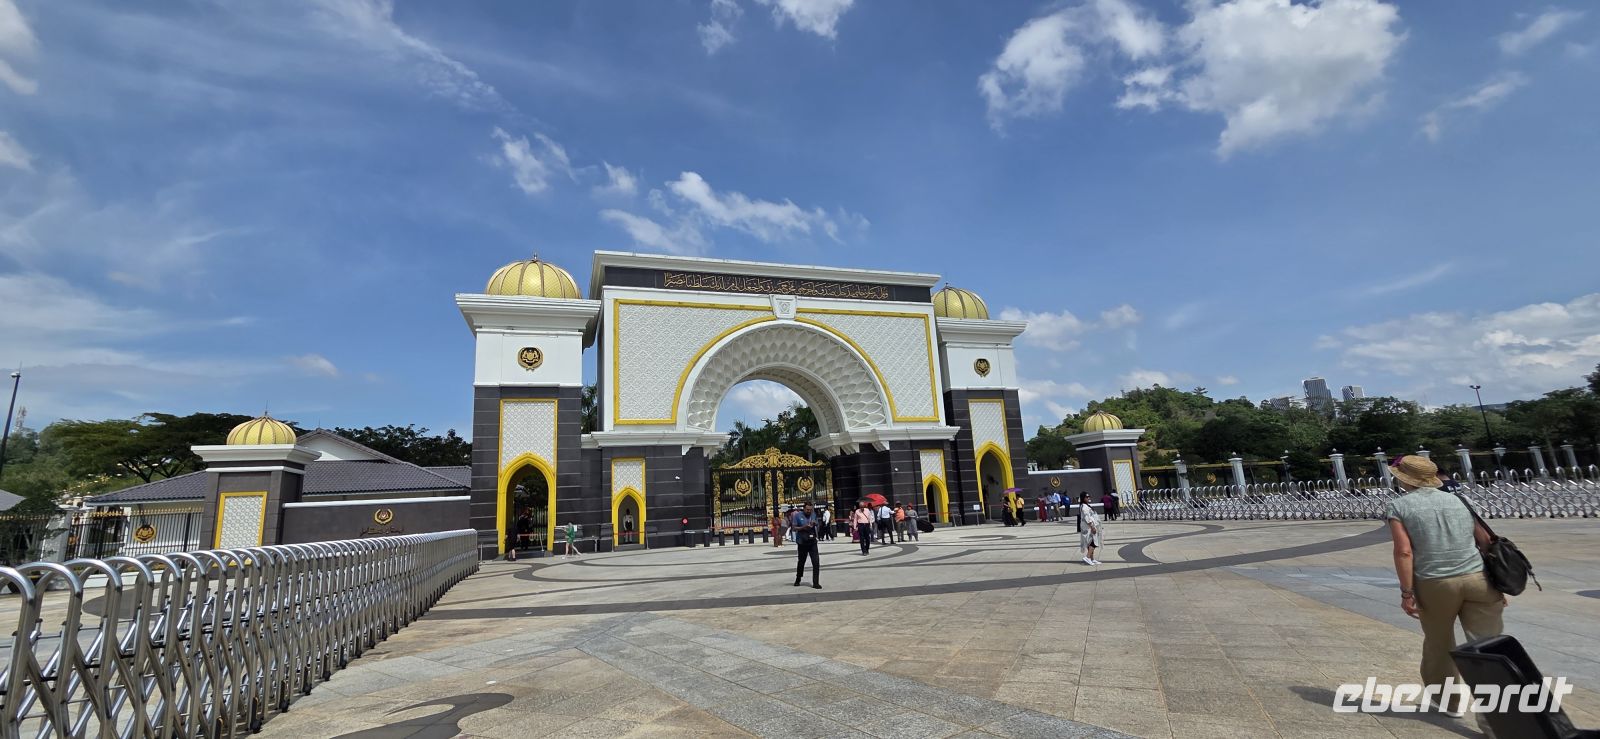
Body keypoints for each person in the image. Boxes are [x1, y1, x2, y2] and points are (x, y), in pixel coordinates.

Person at [1385, 455, 1503, 717]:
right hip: (1478, 579)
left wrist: (1407, 593)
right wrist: (1498, 585)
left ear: (1403, 478)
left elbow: (1404, 552)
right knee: (1487, 646)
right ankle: (1495, 717)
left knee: (1439, 643)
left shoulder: (1399, 506)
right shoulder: (1461, 499)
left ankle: (1450, 703)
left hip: (1435, 584)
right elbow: (1485, 541)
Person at [790, 502, 822, 589]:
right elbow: (793, 528)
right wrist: (803, 527)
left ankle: (816, 582)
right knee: (801, 562)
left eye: (810, 510)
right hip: (802, 542)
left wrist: (815, 524)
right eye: (807, 509)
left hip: (812, 541)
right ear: (804, 509)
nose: (809, 511)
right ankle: (798, 578)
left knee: (816, 562)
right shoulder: (797, 515)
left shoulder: (813, 514)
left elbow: (817, 524)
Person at [1077, 494, 1101, 565]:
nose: (1088, 498)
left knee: (1090, 543)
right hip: (1088, 527)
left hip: (1087, 526)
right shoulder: (1084, 506)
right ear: (1083, 498)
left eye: (1089, 496)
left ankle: (1092, 559)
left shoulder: (1085, 505)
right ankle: (1087, 557)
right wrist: (1092, 527)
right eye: (1087, 497)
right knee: (1093, 543)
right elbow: (1087, 518)